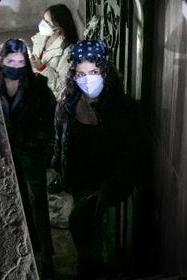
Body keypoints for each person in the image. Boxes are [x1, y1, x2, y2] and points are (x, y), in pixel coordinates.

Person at [56, 40, 139, 279]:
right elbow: (60, 137)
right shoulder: (68, 104)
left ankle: (93, 269)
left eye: (94, 72)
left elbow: (131, 155)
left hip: (105, 186)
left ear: (105, 71)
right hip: (77, 181)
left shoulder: (123, 109)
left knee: (86, 227)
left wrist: (109, 189)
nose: (87, 79)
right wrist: (58, 165)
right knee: (85, 232)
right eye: (81, 74)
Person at [0, 38, 56, 279]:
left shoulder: (38, 86)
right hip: (6, 157)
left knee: (37, 202)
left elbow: (50, 122)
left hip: (31, 154)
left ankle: (46, 256)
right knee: (14, 201)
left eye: (20, 62)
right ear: (1, 61)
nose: (16, 66)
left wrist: (39, 147)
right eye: (11, 61)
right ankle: (23, 250)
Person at [30, 4, 80, 101]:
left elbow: (61, 89)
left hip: (47, 99)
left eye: (47, 22)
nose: (42, 24)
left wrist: (42, 68)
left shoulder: (67, 52)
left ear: (58, 28)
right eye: (44, 19)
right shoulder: (42, 36)